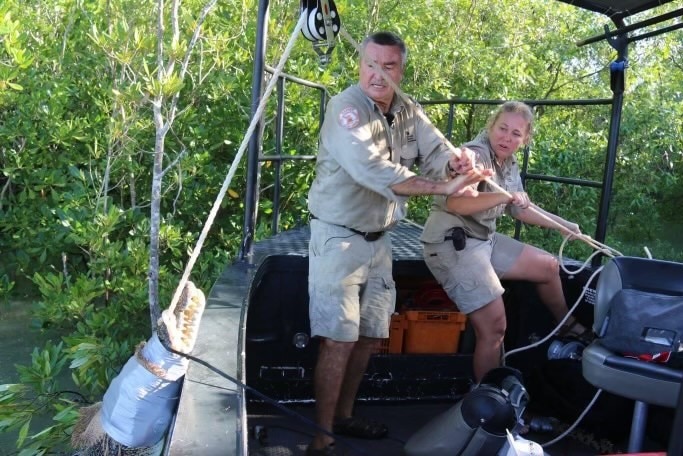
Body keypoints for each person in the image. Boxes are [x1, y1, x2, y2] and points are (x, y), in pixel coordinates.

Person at [306, 31, 490, 456]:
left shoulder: (408, 110)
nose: (377, 74)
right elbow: (374, 171)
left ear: (400, 70)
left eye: (388, 67)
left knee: (369, 335)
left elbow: (439, 150)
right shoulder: (345, 109)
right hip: (337, 237)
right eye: (370, 64)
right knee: (339, 339)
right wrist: (443, 185)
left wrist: (460, 161)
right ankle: (321, 438)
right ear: (360, 65)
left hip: (380, 237)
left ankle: (345, 418)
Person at [420, 101, 590, 384]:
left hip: (483, 240)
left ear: (525, 140)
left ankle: (567, 328)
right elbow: (457, 202)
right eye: (502, 129)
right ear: (491, 126)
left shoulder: (508, 162)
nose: (506, 138)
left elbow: (521, 208)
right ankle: (490, 403)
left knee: (549, 267)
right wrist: (503, 197)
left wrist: (564, 226)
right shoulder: (474, 156)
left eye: (515, 134)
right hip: (452, 242)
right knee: (495, 327)